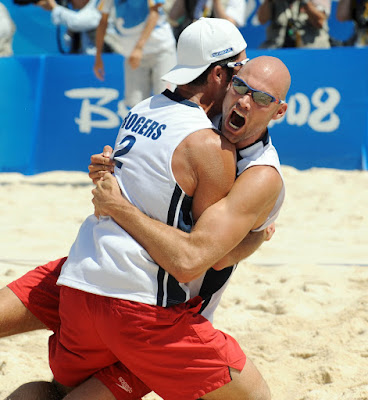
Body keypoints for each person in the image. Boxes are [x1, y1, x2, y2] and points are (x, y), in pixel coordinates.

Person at [2, 19, 289, 400]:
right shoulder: (211, 146)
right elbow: (197, 259)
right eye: (239, 78)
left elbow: (138, 183)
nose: (245, 98)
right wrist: (255, 239)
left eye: (261, 96)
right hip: (145, 307)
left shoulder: (145, 108)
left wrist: (112, 188)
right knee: (254, 397)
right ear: (220, 75)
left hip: (81, 275)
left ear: (279, 110)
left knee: (56, 392)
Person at [93, 0, 177, 109]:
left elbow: (154, 13)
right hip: (132, 54)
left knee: (167, 101)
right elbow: (103, 22)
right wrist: (98, 57)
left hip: (161, 49)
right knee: (136, 105)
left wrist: (138, 48)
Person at [36, 0, 114, 54]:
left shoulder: (100, 5)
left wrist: (53, 6)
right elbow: (67, 42)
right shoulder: (81, 14)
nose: (70, 2)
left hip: (107, 62)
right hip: (83, 62)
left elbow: (76, 22)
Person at [257, 0, 331, 48]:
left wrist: (306, 3)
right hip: (277, 46)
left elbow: (320, 22)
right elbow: (262, 20)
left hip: (311, 48)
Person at [169, 0, 246, 41]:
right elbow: (173, 16)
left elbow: (230, 24)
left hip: (216, 42)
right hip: (190, 39)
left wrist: (216, 2)